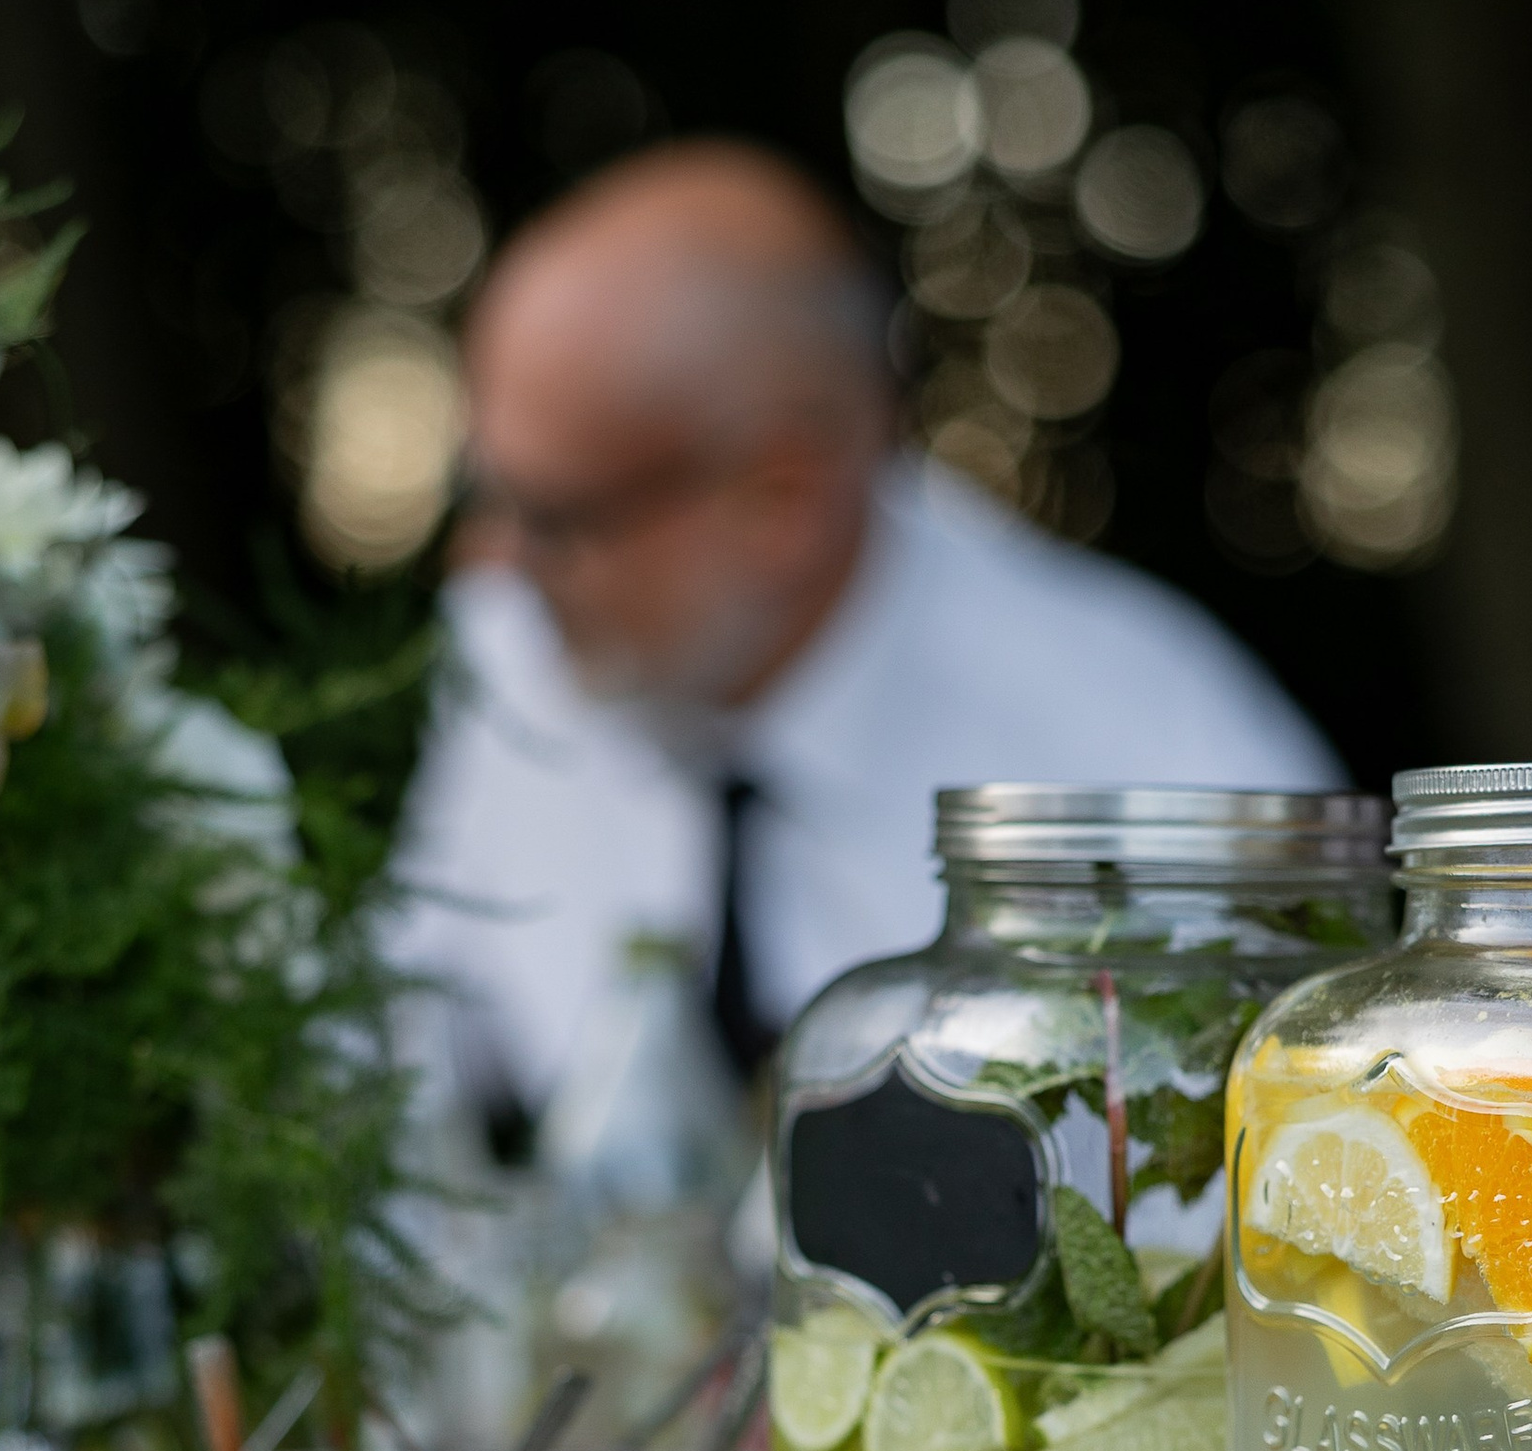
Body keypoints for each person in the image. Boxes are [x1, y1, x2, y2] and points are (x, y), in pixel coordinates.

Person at [388, 140, 1340, 1137]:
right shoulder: (506, 661)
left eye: (551, 520)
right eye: (481, 494)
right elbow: (396, 1058)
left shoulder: (1158, 764)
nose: (485, 566)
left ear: (778, 497)